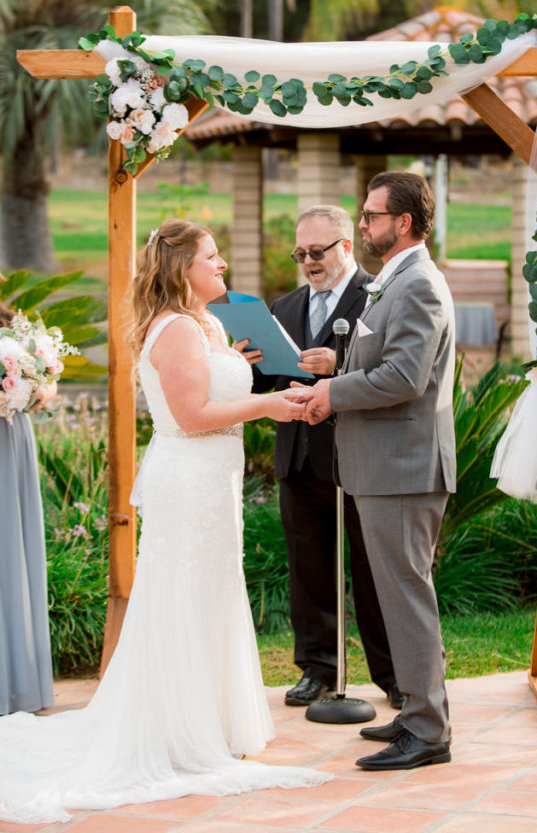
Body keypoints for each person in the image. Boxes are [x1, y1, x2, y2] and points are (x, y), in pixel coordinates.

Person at [0, 220, 330, 825]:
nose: (223, 263)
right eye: (211, 256)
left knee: (211, 593)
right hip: (191, 478)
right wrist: (267, 404)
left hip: (215, 477)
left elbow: (212, 391)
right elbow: (192, 413)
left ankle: (209, 717)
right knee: (182, 595)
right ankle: (176, 729)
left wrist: (241, 366)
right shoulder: (176, 326)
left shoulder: (205, 323)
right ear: (183, 268)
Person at [299, 173, 456, 772]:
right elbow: (387, 357)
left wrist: (333, 392)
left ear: (403, 224)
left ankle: (428, 732)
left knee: (407, 598)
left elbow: (403, 378)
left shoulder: (417, 284)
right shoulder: (398, 279)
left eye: (370, 216)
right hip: (388, 467)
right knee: (399, 597)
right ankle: (418, 710)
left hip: (404, 469)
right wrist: (337, 365)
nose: (362, 225)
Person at [239, 205, 401, 709]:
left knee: (375, 570)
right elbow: (266, 385)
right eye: (300, 253)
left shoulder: (377, 297)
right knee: (309, 569)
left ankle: (394, 674)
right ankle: (318, 667)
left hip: (360, 457)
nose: (308, 261)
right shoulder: (283, 308)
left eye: (318, 251)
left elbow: (396, 369)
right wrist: (247, 365)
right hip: (299, 458)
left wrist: (341, 362)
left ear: (346, 246)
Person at [0, 292, 56, 717]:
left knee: (10, 547)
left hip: (11, 442)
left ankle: (16, 680)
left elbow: (45, 380)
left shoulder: (13, 324)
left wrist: (40, 386)